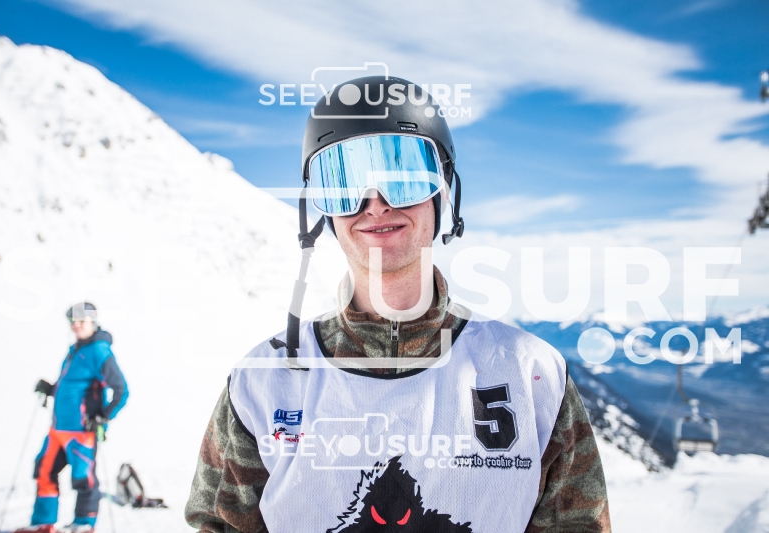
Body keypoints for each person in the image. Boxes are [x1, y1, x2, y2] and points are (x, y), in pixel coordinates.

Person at [185, 76, 610, 532]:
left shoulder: (531, 376)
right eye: (343, 183)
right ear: (321, 208)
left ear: (443, 192)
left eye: (403, 177)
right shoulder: (264, 383)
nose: (375, 204)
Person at [18, 302, 129, 533]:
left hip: (81, 431)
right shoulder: (76, 349)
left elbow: (121, 390)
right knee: (44, 472)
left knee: (83, 478)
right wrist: (51, 389)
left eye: (81, 321)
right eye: (73, 321)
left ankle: (84, 524)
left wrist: (103, 416)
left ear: (93, 321)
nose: (76, 325)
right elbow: (74, 386)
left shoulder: (99, 351)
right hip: (58, 429)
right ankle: (43, 524)